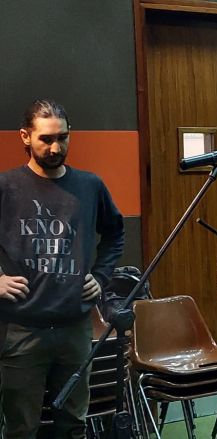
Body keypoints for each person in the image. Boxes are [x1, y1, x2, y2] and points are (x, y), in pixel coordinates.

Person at [0, 99, 125, 438]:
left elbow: (115, 233)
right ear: (25, 137)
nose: (56, 147)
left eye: (63, 137)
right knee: (20, 428)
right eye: (46, 139)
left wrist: (100, 276)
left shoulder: (89, 186)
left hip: (74, 328)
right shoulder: (6, 187)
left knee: (73, 426)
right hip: (21, 330)